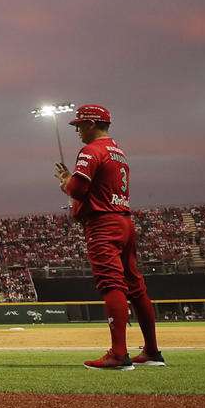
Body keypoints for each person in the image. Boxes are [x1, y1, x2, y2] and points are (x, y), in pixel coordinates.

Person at [53, 104, 163, 370]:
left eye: (80, 125)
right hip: (124, 220)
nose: (77, 130)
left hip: (103, 223)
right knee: (136, 288)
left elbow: (78, 189)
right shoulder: (118, 151)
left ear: (91, 124)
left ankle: (118, 354)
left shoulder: (92, 150)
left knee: (112, 284)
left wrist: (65, 181)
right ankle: (151, 351)